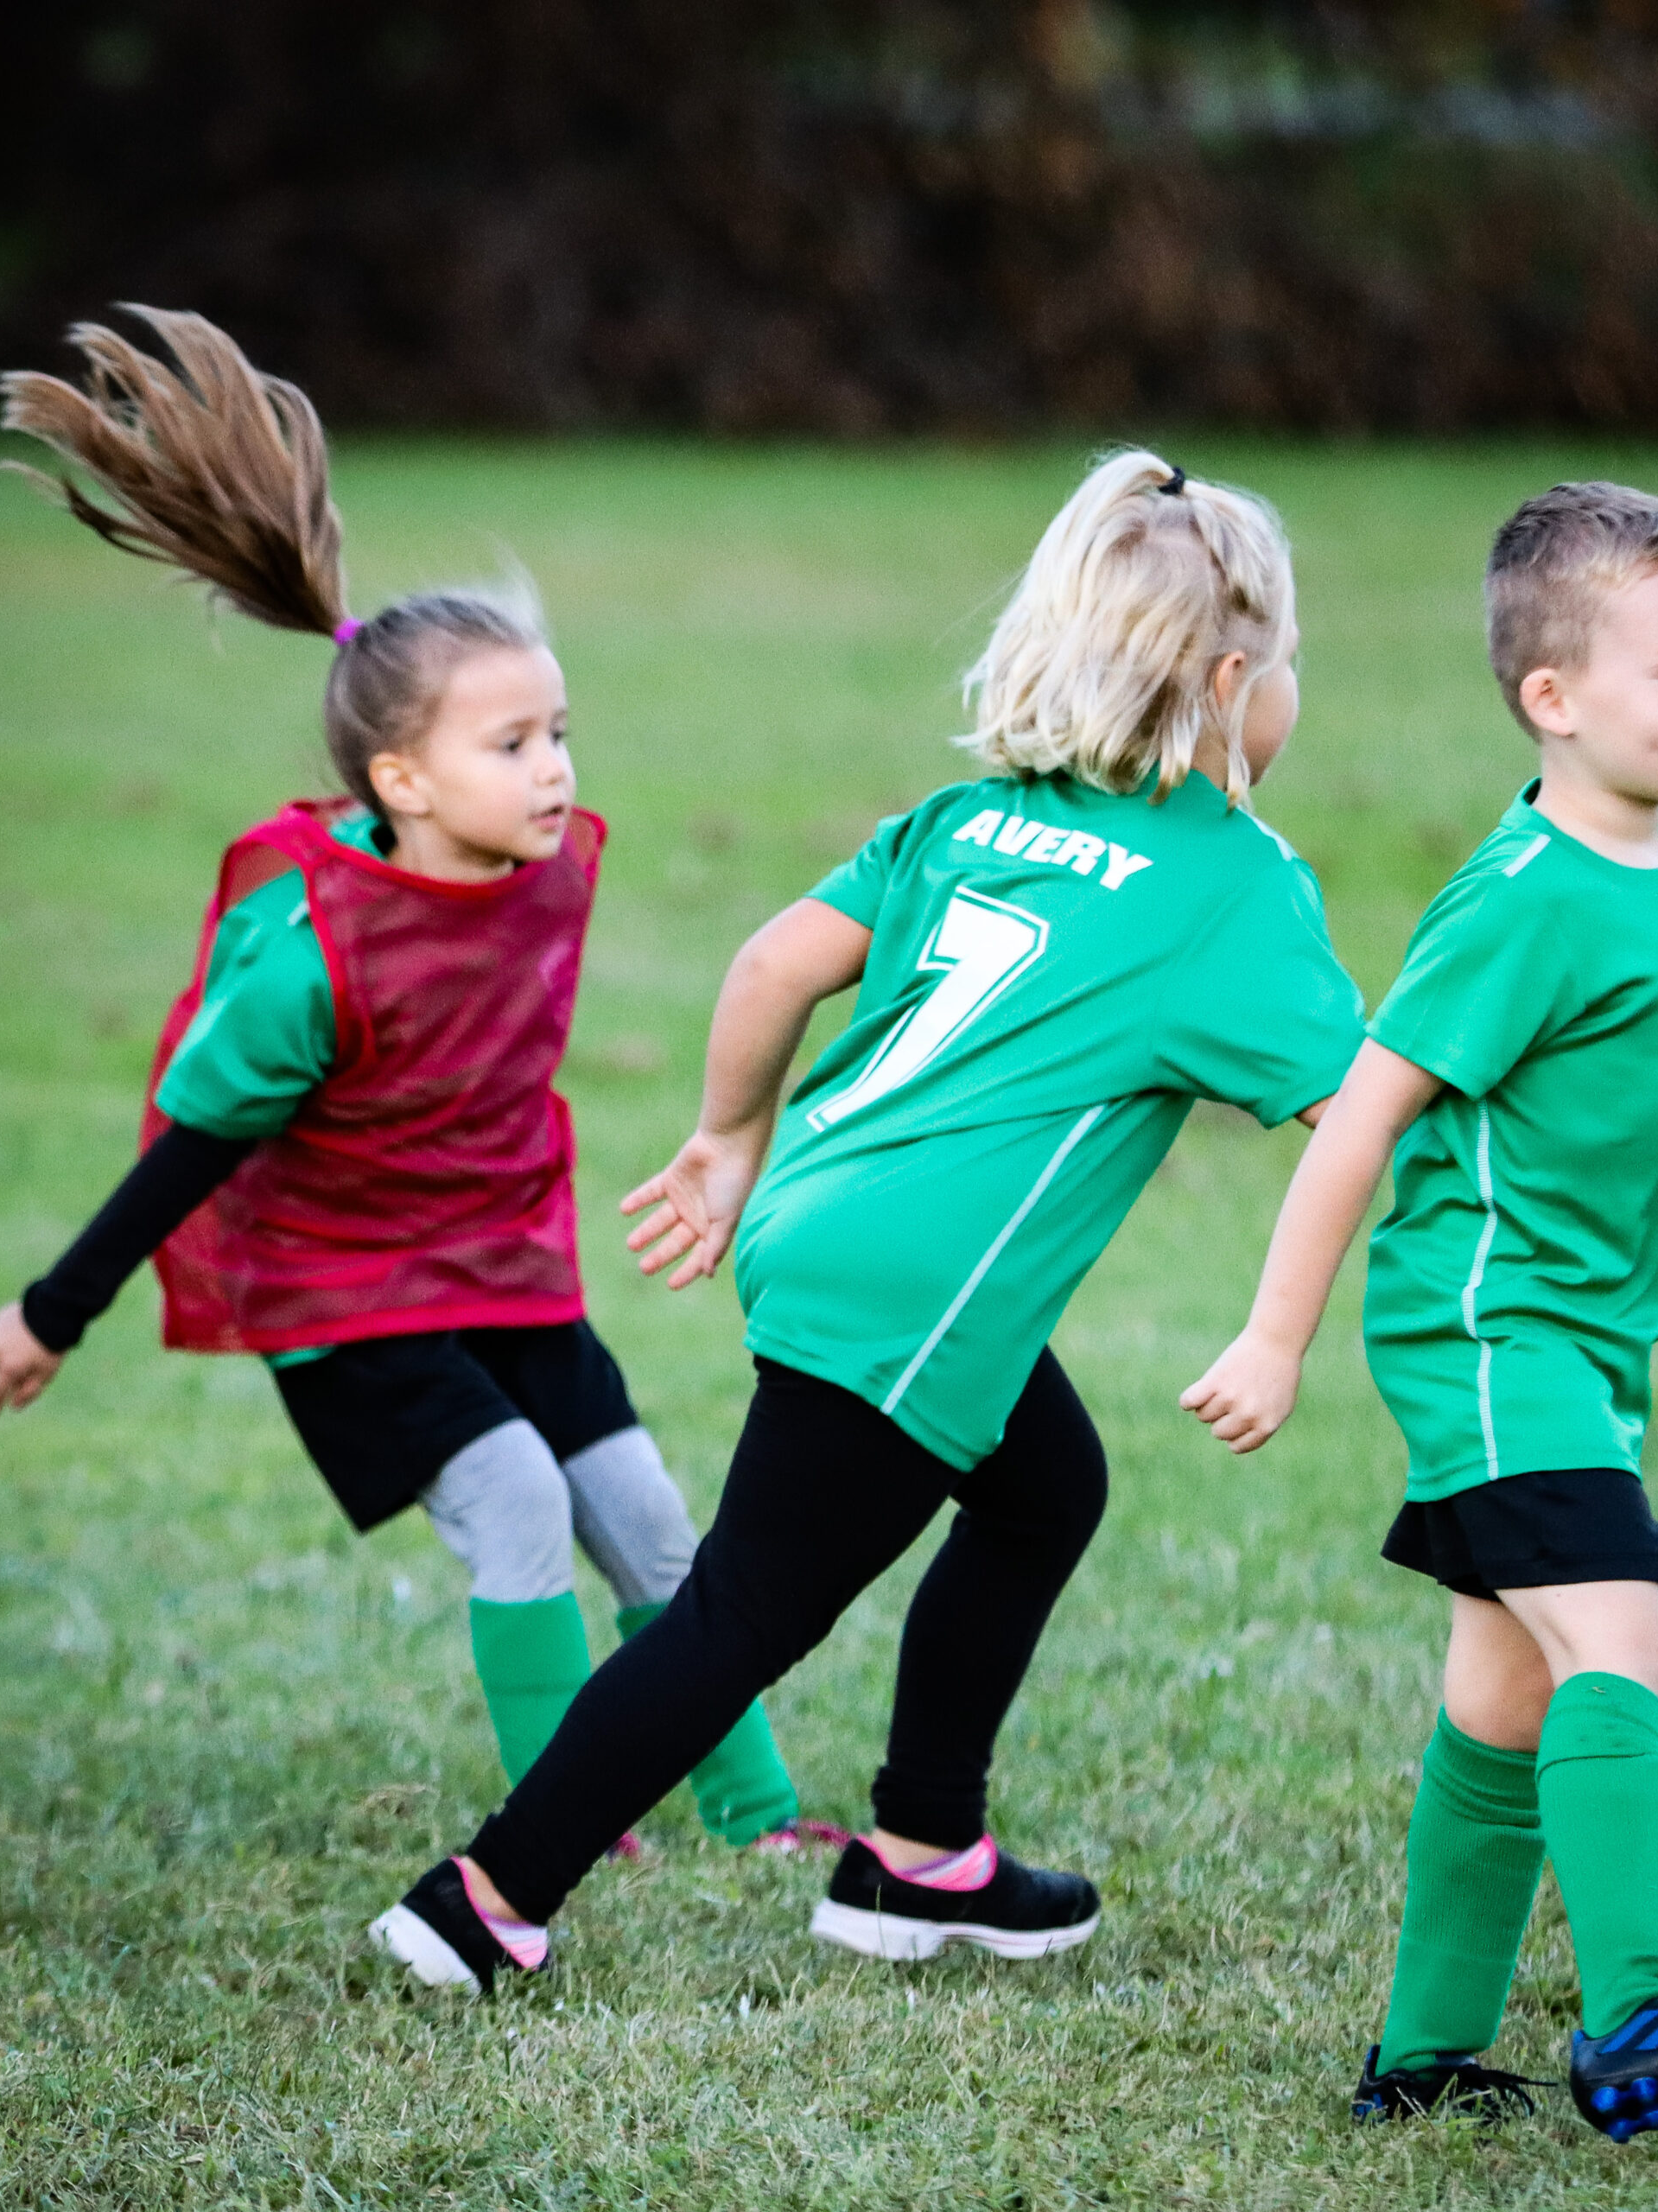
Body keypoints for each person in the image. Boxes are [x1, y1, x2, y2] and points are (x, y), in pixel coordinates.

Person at [366, 447, 1369, 1993]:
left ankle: (923, 1853)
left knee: (1044, 1489)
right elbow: (1359, 1109)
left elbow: (774, 959)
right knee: (743, 1610)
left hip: (816, 1213)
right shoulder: (1233, 886)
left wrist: (724, 1140)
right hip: (917, 1293)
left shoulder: (970, 817)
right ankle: (484, 1902)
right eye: (1288, 661)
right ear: (1234, 684)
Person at [0, 308, 801, 1848]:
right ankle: (567, 1824)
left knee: (645, 1516)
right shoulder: (311, 953)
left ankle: (757, 1814)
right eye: (512, 744)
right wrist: (51, 1310)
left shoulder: (547, 871)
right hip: (344, 1286)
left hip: (501, 1262)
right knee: (518, 1501)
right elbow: (192, 1150)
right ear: (400, 781)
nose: (554, 769)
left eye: (558, 732)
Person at [1182, 482, 1658, 2139]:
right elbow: (1362, 1115)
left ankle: (1420, 2062)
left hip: (1577, 1344)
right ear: (1552, 698)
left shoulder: (1656, 856)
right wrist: (1275, 1337)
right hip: (1493, 1339)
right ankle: (1646, 2007)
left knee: (1505, 1699)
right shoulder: (1522, 898)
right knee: (1626, 1645)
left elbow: (1643, 1088)